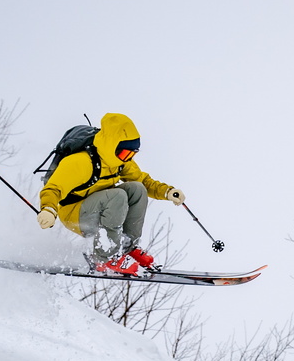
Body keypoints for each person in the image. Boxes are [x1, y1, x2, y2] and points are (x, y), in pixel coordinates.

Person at [35, 112, 185, 275]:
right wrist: (48, 209)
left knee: (137, 189)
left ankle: (127, 247)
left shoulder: (120, 162)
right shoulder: (81, 162)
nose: (127, 158)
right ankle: (104, 257)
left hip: (103, 207)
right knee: (117, 196)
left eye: (132, 154)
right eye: (124, 153)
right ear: (111, 146)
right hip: (74, 213)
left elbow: (143, 181)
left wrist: (167, 192)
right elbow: (53, 188)